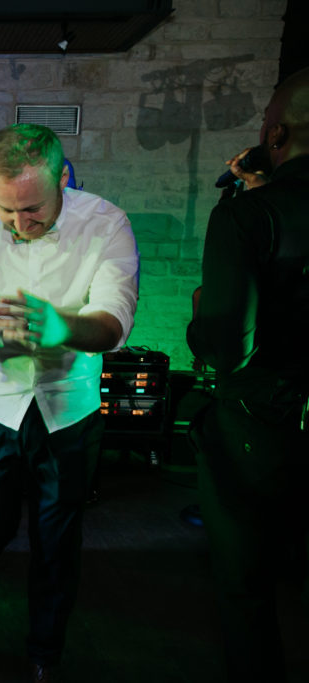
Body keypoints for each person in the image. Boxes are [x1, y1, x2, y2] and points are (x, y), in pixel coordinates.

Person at [0, 123, 139, 683]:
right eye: (5, 211)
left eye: (33, 209)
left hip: (70, 411)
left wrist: (61, 326)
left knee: (57, 542)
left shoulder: (106, 223)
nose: (19, 225)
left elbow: (114, 322)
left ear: (64, 176)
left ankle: (45, 655)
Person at [187, 66, 309, 683]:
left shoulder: (247, 216)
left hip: (265, 426)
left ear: (276, 132)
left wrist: (199, 317)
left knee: (248, 587)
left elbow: (224, 347)